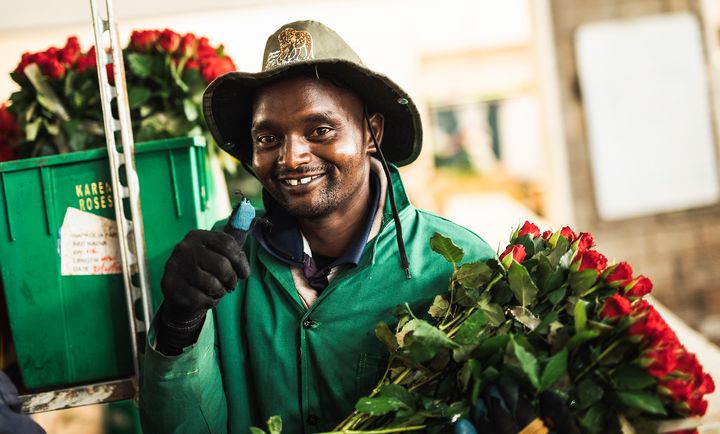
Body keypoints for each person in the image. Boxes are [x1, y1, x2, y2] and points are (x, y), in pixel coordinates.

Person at [139, 20, 495, 433]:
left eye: (320, 130)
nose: (291, 157)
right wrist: (179, 325)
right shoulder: (216, 268)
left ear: (370, 131)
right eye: (269, 138)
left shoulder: (460, 267)